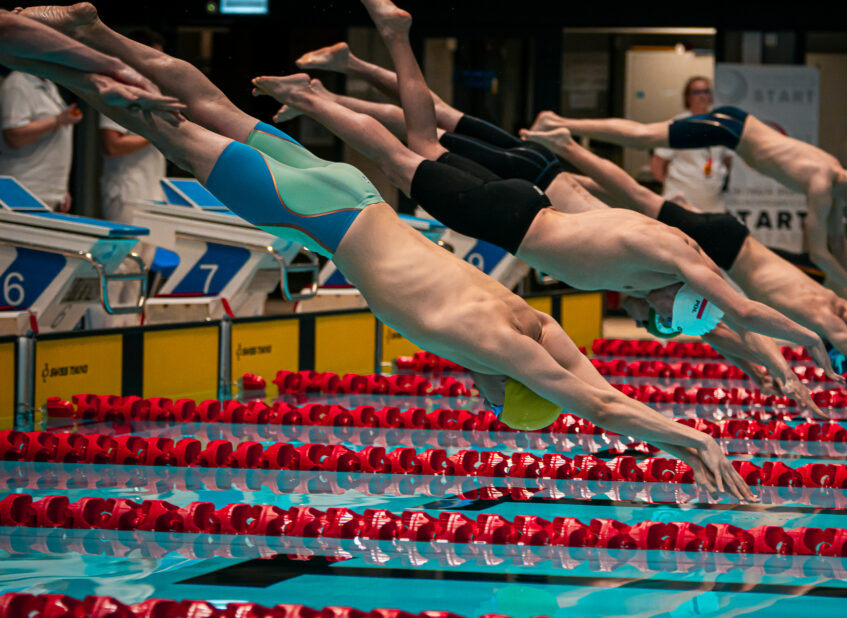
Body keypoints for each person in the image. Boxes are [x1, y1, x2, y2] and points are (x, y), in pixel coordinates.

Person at [13, 2, 757, 501]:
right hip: (320, 214)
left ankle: (97, 29)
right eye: (499, 402)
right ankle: (56, 54)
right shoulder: (491, 343)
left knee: (209, 106)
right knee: (163, 123)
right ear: (509, 386)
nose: (484, 401)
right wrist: (690, 438)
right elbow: (593, 401)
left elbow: (594, 386)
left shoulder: (526, 320)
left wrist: (672, 434)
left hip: (352, 192)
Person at [287, 42, 847, 394]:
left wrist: (773, 364)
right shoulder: (660, 264)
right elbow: (736, 314)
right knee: (423, 141)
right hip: (534, 185)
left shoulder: (666, 259)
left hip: (539, 189)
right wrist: (806, 345)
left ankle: (347, 77)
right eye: (660, 319)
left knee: (432, 134)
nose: (648, 322)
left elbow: (725, 323)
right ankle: (348, 77)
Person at [530, 107, 847, 315]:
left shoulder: (836, 179)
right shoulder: (823, 186)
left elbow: (839, 241)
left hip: (736, 128)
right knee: (642, 137)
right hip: (731, 131)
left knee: (635, 177)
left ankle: (563, 157)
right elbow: (820, 253)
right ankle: (559, 123)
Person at [98, 27, 167, 224]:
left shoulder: (153, 91)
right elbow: (112, 146)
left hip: (153, 192)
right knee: (128, 246)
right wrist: (156, 134)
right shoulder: (117, 91)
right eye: (155, 56)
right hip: (127, 196)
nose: (160, 63)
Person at [0, 69, 80, 210]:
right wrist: (58, 120)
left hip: (49, 191)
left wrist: (61, 189)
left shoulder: (49, 84)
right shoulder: (17, 83)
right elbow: (14, 136)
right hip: (23, 188)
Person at [650, 76, 732, 212]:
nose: (702, 96)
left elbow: (727, 160)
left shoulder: (720, 124)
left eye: (706, 91)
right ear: (688, 97)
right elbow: (657, 163)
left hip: (713, 203)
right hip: (680, 201)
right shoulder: (677, 124)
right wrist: (673, 185)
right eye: (697, 92)